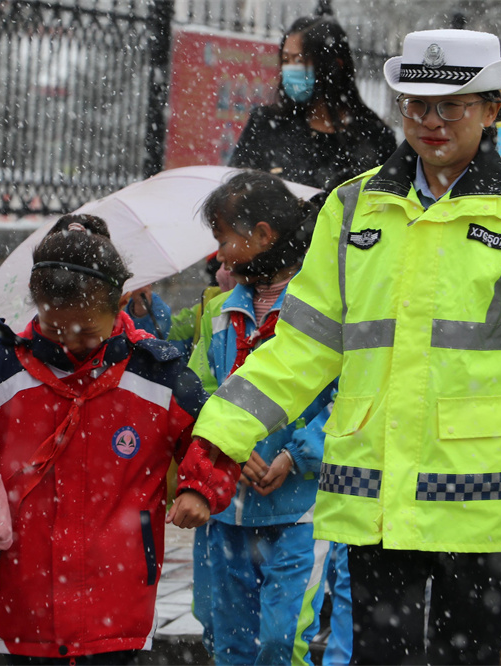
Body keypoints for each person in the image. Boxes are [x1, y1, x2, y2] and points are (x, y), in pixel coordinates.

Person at [190, 29, 501, 664]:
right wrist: (217, 447)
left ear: (489, 108)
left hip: (486, 509)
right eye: (417, 105)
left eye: (451, 105)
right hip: (378, 506)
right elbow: (300, 348)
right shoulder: (352, 207)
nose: (431, 121)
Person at [0, 214, 240, 664]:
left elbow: (217, 437)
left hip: (119, 605)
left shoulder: (157, 372)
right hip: (22, 602)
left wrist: (200, 486)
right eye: (55, 329)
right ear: (35, 304)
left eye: (88, 331)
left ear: (123, 302)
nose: (71, 343)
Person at [188, 171, 341, 665]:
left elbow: (348, 396)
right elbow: (200, 392)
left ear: (261, 236)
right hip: (228, 511)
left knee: (282, 637)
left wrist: (297, 455)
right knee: (229, 638)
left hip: (300, 510)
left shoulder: (322, 311)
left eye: (223, 239)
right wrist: (230, 447)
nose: (220, 254)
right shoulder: (219, 316)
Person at [230, 16, 396, 190]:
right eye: (286, 60)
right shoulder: (266, 123)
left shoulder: (374, 137)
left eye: (300, 60)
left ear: (335, 66)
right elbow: (236, 192)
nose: (291, 69)